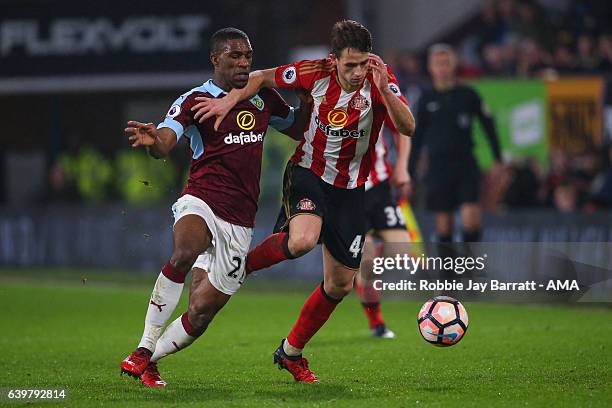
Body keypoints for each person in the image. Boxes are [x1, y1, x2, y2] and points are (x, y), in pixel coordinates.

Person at [192, 20, 415, 383]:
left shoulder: (379, 77)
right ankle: (242, 266)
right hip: (309, 172)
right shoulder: (314, 72)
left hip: (351, 188)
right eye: (349, 65)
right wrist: (230, 100)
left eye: (362, 64)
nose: (357, 72)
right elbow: (262, 76)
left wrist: (385, 92)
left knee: (340, 285)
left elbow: (407, 127)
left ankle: (291, 352)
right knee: (302, 240)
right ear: (334, 60)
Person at [119, 27, 309, 387]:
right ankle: (143, 348)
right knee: (183, 251)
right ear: (215, 59)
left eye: (248, 56)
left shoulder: (263, 98)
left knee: (201, 312)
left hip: (240, 220)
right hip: (201, 199)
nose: (243, 62)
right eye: (234, 55)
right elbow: (165, 141)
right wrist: (152, 142)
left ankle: (153, 359)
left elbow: (298, 128)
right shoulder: (193, 100)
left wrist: (308, 98)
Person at [409, 44, 502, 245]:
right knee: (444, 225)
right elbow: (416, 137)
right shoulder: (425, 99)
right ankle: (448, 274)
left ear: (454, 65)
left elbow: (489, 125)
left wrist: (497, 158)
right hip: (438, 167)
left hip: (465, 164)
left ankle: (470, 268)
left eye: (446, 63)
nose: (442, 68)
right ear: (431, 67)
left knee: (471, 220)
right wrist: (409, 170)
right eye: (438, 64)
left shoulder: (468, 95)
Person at [356, 122, 412, 339]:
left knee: (402, 253)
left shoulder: (382, 88)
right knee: (367, 262)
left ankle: (358, 270)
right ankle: (377, 323)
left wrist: (402, 165)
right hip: (348, 189)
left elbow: (403, 127)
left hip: (379, 185)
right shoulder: (329, 90)